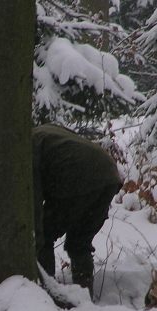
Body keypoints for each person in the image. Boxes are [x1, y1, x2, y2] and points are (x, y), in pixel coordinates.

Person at [33, 124, 123, 297]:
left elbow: (34, 195)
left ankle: (45, 294)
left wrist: (37, 232)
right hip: (109, 175)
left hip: (76, 178)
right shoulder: (50, 131)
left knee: (44, 236)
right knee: (79, 241)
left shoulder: (29, 146)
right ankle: (85, 295)